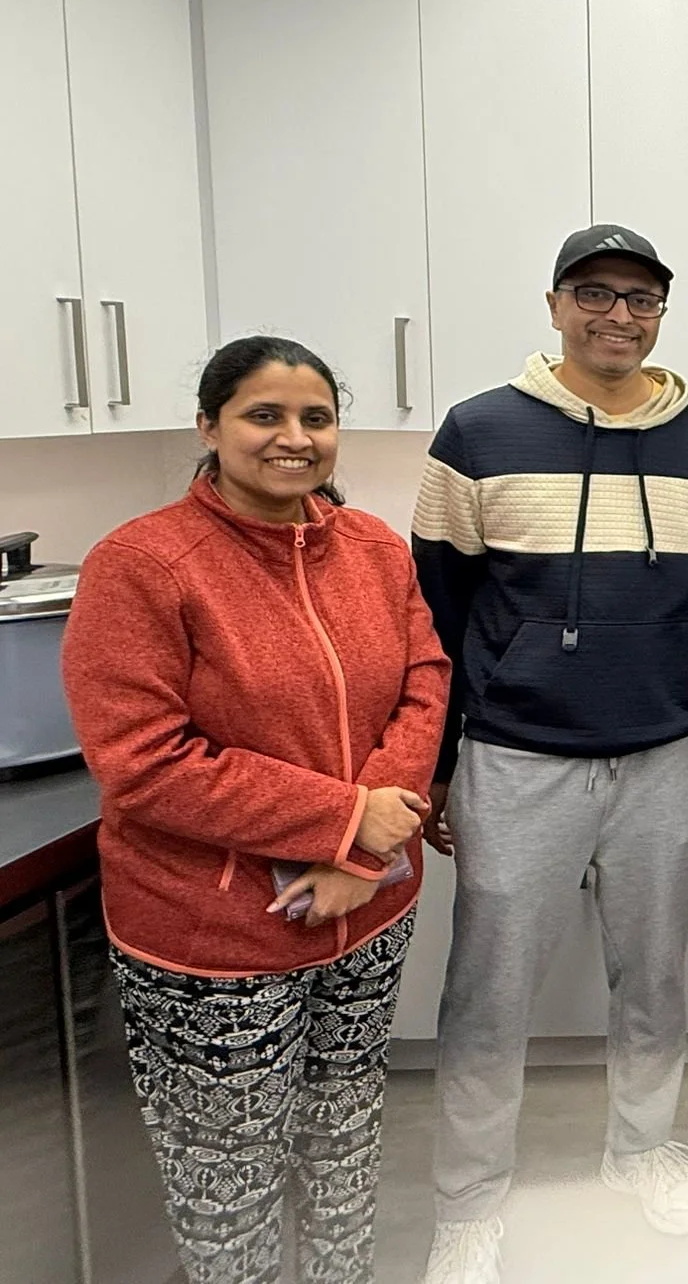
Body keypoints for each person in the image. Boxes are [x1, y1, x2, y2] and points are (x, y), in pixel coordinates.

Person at [60, 336, 449, 1284]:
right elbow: (145, 764)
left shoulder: (371, 547)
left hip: (364, 912)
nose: (295, 438)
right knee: (227, 1179)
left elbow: (424, 683)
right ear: (209, 426)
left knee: (343, 1136)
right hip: (216, 935)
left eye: (315, 418)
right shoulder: (145, 565)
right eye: (264, 415)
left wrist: (362, 852)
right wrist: (344, 817)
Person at [412, 224, 688, 1283]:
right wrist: (431, 767)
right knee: (489, 989)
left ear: (661, 313)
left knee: (651, 978)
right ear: (556, 304)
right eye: (596, 294)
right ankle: (468, 1202)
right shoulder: (475, 432)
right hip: (516, 759)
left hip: (662, 754)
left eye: (641, 299)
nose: (619, 316)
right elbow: (433, 613)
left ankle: (641, 1152)